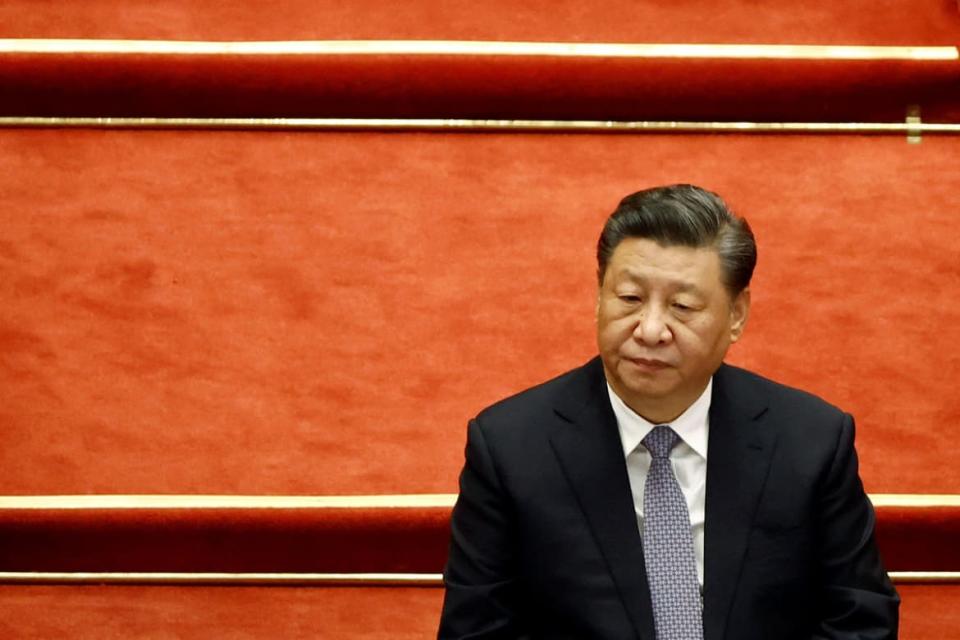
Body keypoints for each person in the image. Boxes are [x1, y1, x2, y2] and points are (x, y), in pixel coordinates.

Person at [437, 184, 899, 639]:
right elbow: (477, 629)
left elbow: (861, 618)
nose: (651, 329)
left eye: (682, 306)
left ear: (736, 315)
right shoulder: (511, 448)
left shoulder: (811, 440)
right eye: (630, 299)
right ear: (599, 296)